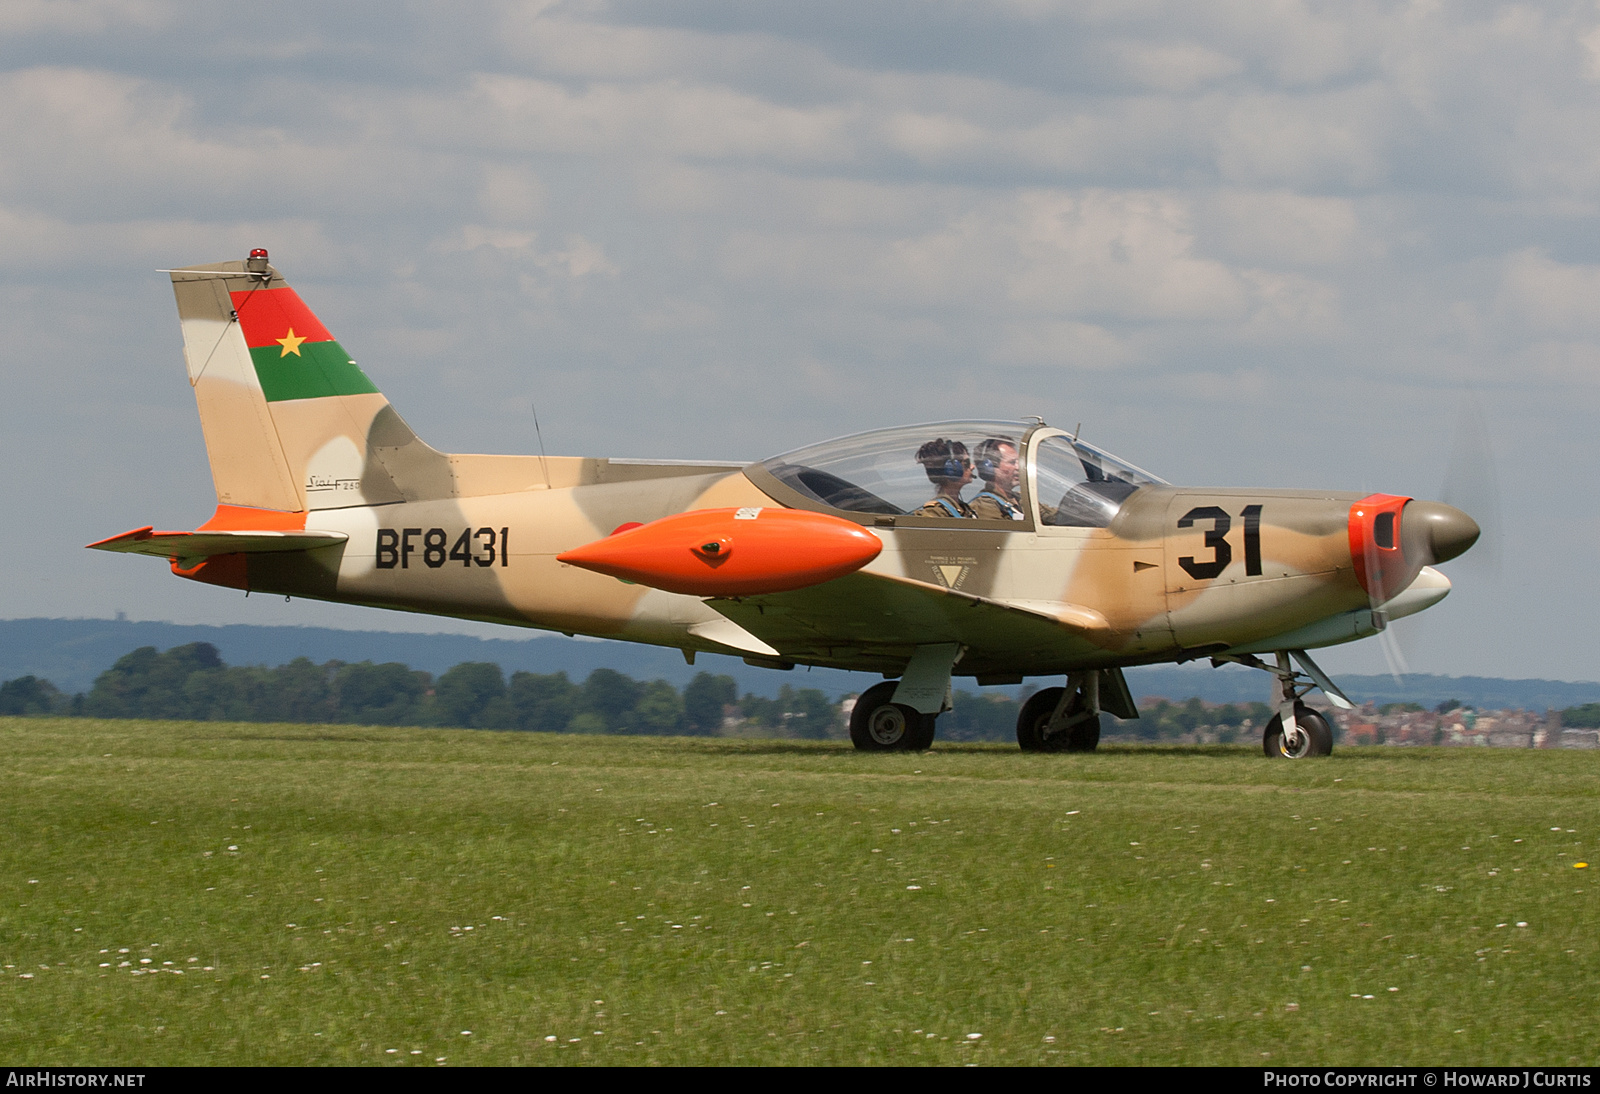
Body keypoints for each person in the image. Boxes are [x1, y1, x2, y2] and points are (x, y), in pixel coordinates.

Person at [913, 438, 975, 518]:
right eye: (967, 463)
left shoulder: (965, 509)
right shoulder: (935, 514)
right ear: (952, 468)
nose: (972, 467)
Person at [969, 437, 1025, 521]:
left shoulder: (1019, 499)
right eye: (1012, 462)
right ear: (990, 468)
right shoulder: (986, 505)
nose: (1018, 467)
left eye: (1018, 462)